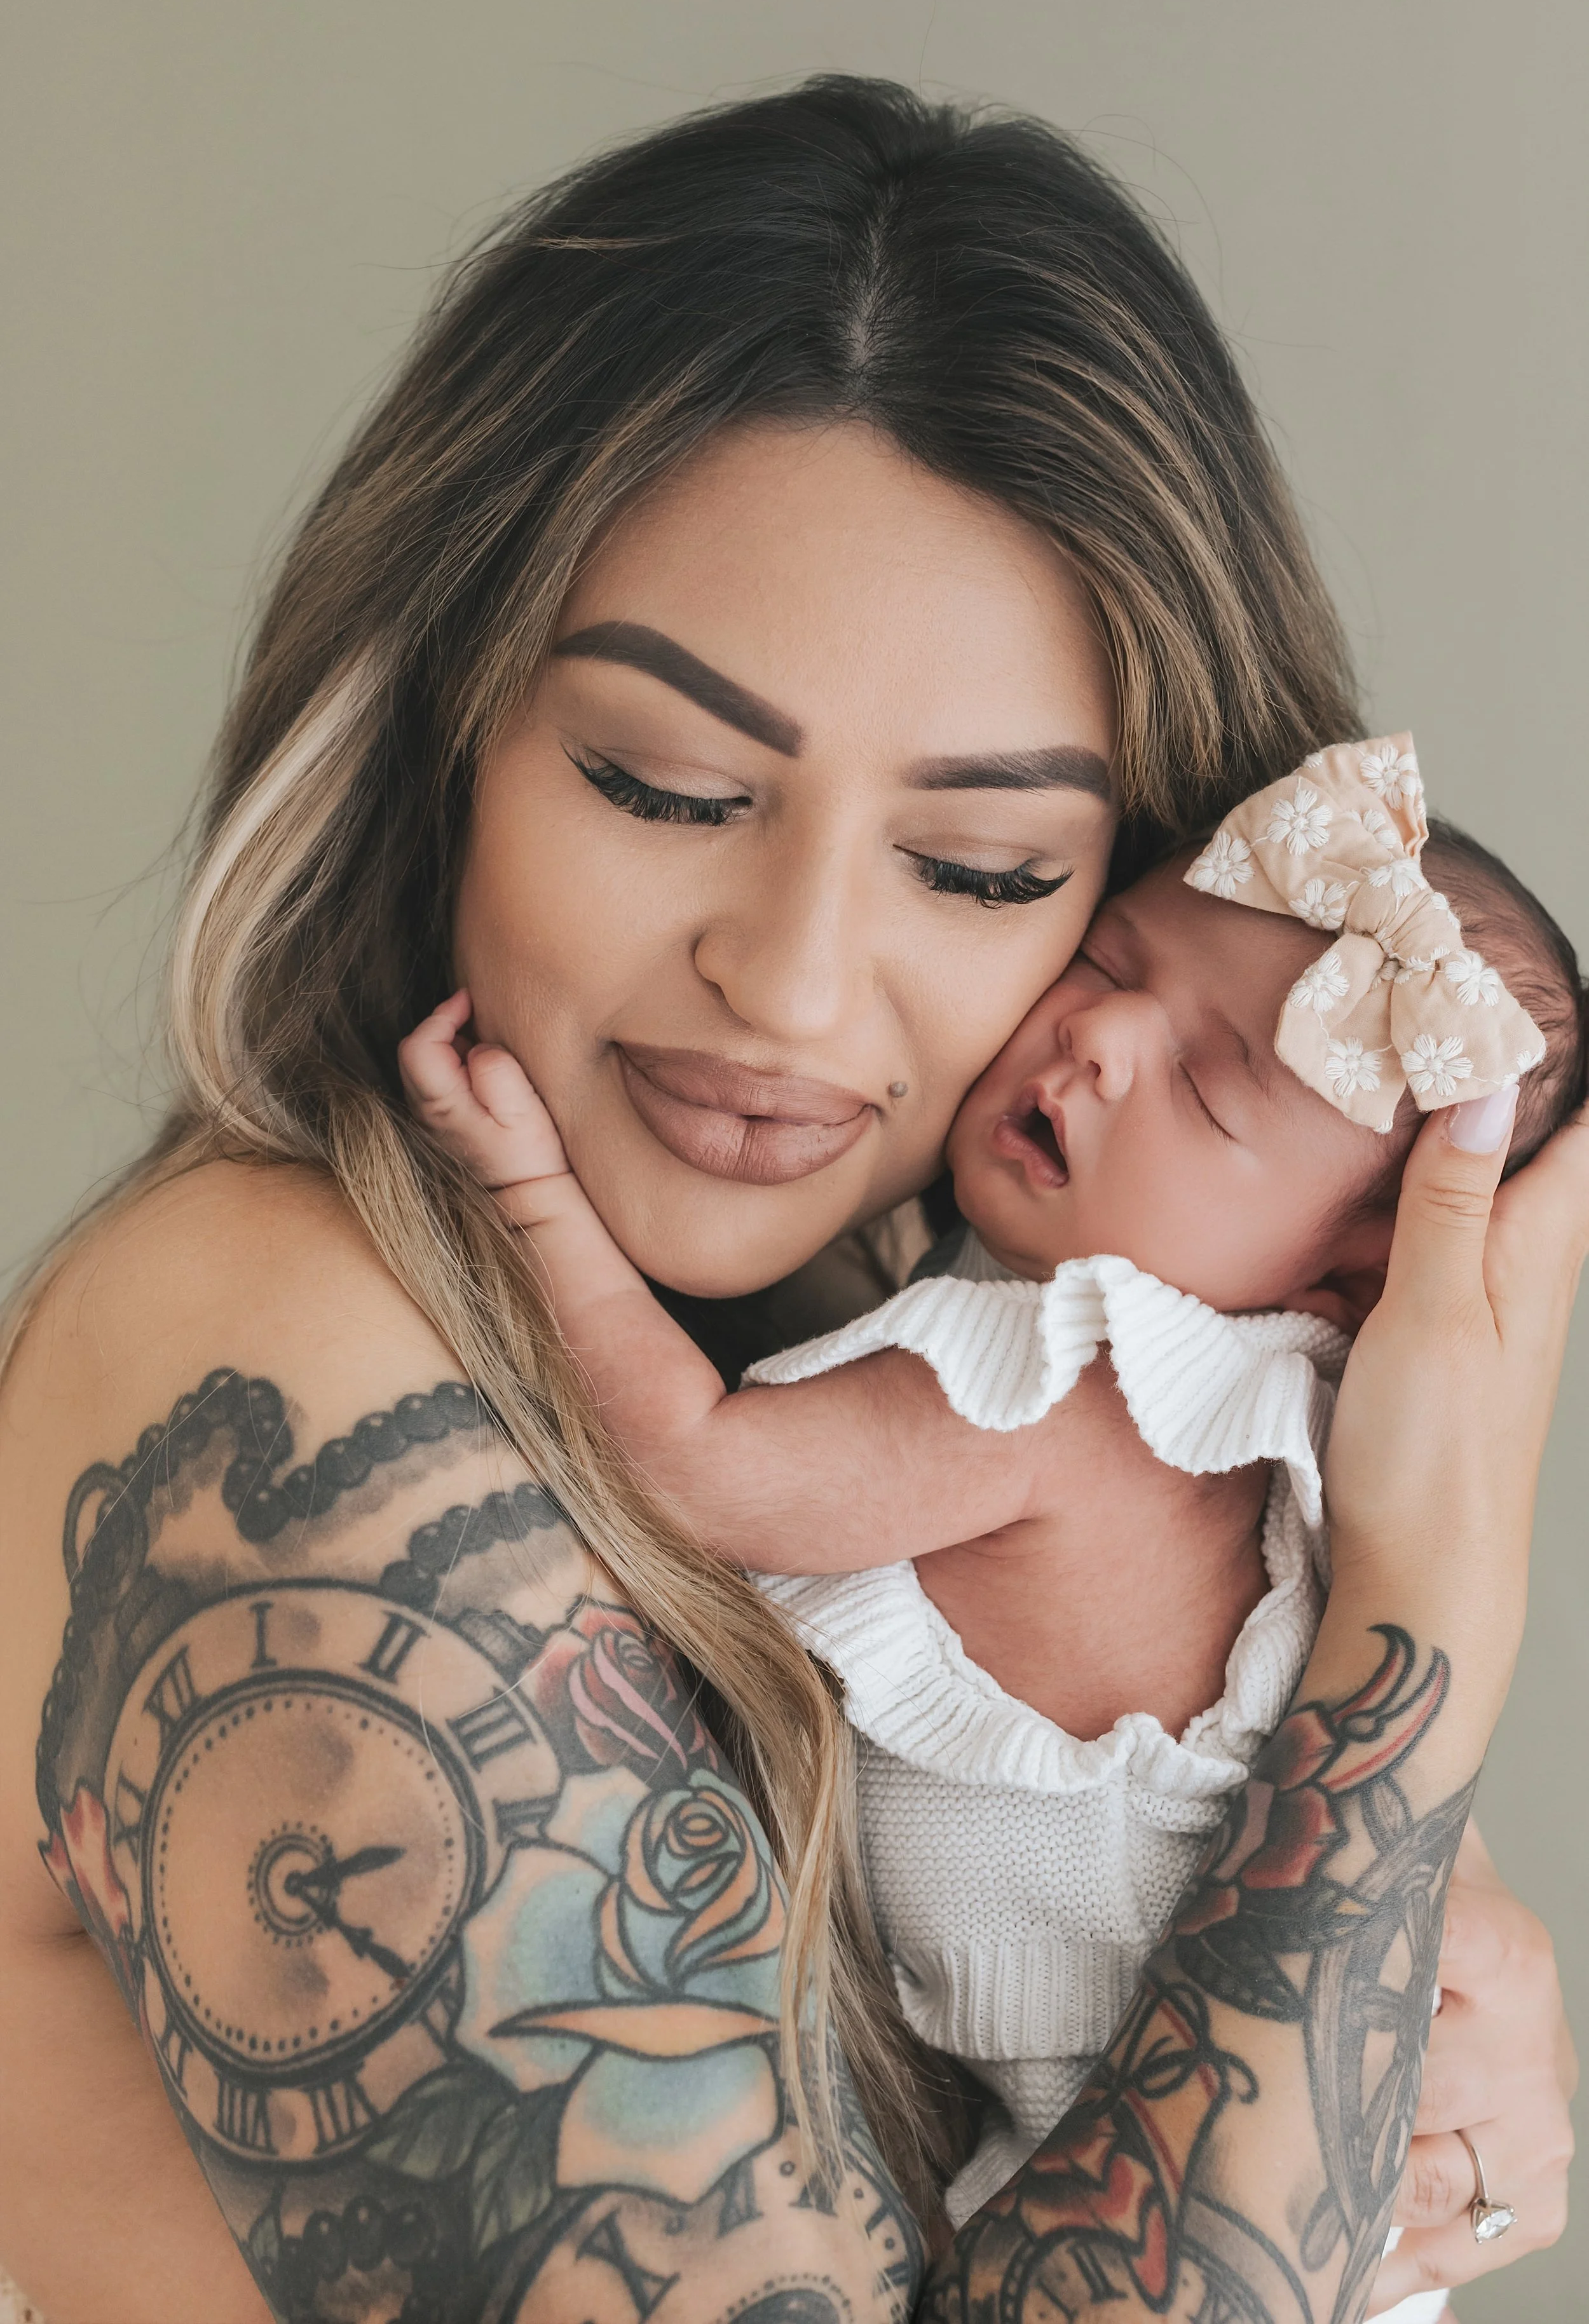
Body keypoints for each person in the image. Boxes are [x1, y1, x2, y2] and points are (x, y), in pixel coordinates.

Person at [0, 79, 1577, 2324]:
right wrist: (1422, 1653)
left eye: (988, 868)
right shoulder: (269, 1347)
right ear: (436, 733)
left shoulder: (941, 1433)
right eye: (667, 784)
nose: (797, 980)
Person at [399, 733, 1585, 2257]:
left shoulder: (1079, 1375)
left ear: (1356, 1280)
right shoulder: (1285, 1451)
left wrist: (528, 1198)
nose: (1100, 1042)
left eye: (1209, 1086)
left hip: (1139, 2145)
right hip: (1236, 2157)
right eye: (1103, 961)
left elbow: (698, 1474)